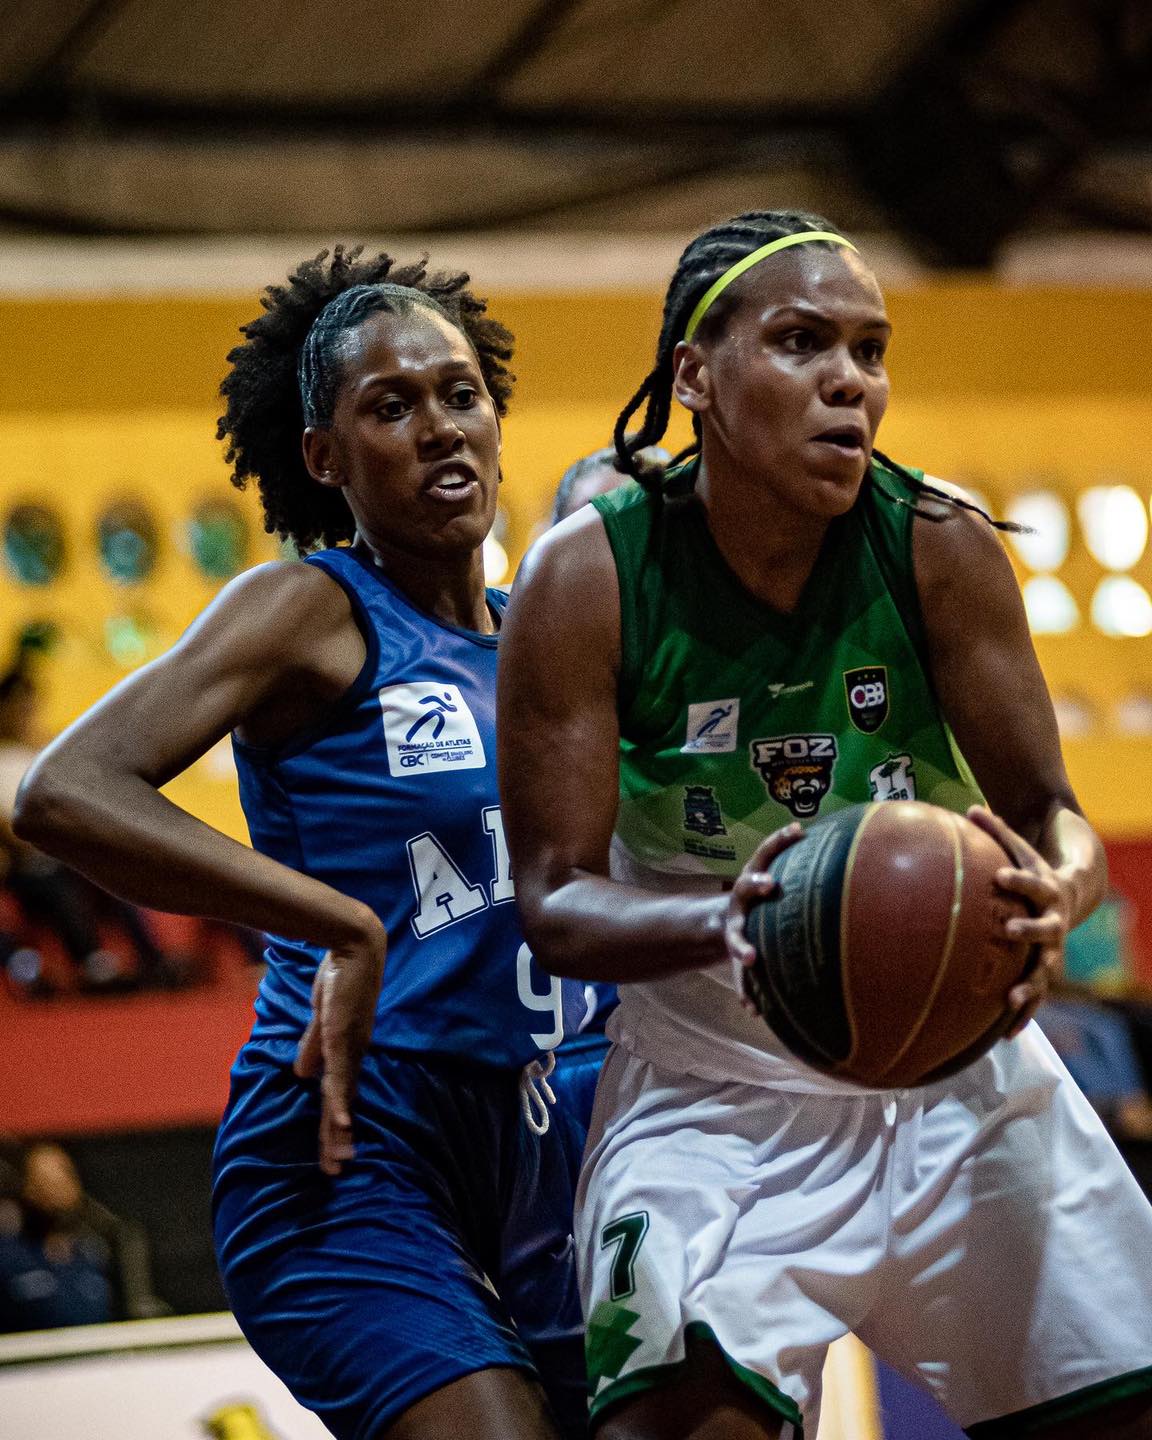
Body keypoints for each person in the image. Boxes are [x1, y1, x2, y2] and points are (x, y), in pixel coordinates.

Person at [497, 212, 1152, 1439]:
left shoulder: (940, 545)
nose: (850, 382)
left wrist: (1056, 891)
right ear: (694, 373)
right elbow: (554, 903)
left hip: (960, 1088)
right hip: (714, 1101)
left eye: (869, 349)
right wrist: (738, 920)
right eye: (801, 342)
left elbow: (1051, 816)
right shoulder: (588, 577)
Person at [14, 247, 587, 1439]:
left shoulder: (548, 634)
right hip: (348, 1141)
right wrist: (331, 918)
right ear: (325, 458)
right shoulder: (313, 609)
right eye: (391, 405)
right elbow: (64, 792)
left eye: (460, 393)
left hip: (543, 1137)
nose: (439, 428)